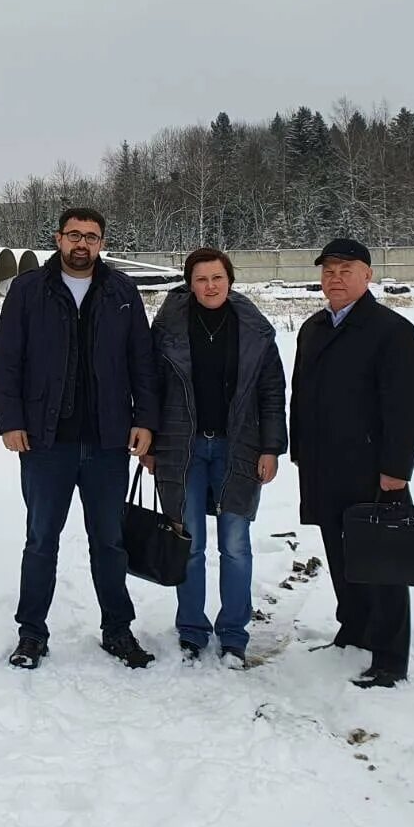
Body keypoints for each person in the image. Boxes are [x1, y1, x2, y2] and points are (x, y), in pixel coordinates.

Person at [0, 207, 159, 670]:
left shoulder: (122, 292)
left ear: (102, 242)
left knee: (109, 541)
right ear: (58, 238)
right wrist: (11, 421)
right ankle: (31, 633)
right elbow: (8, 360)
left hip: (108, 443)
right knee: (41, 539)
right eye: (73, 235)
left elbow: (141, 363)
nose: (81, 244)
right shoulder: (29, 291)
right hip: (46, 442)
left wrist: (145, 419)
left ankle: (117, 629)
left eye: (91, 236)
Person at [290, 238, 414, 688]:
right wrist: (299, 450)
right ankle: (354, 630)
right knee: (340, 555)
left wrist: (396, 470)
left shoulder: (392, 331)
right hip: (324, 465)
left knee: (382, 562)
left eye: (346, 269)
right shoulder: (314, 328)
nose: (335, 277)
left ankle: (389, 657)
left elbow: (408, 406)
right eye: (328, 269)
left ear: (368, 275)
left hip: (373, 470)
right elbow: (302, 396)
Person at [146, 248, 286, 669]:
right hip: (181, 447)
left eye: (218, 277)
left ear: (230, 279)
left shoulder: (254, 330)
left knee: (235, 545)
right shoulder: (168, 327)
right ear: (190, 283)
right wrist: (150, 443)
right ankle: (191, 630)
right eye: (202, 279)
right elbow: (149, 387)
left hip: (236, 448)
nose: (211, 286)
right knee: (188, 543)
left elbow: (272, 394)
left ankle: (233, 634)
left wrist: (271, 447)